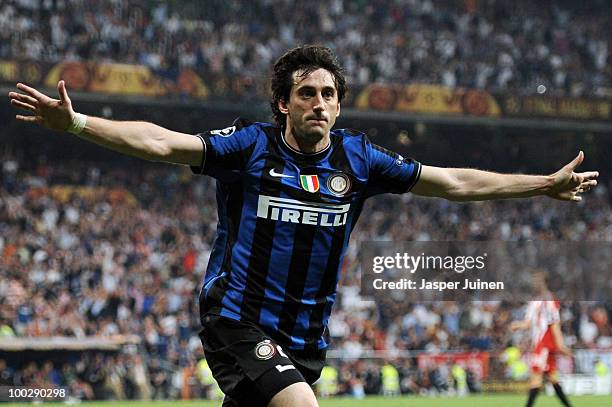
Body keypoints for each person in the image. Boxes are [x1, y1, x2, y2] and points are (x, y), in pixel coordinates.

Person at [8, 45, 599, 407]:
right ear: (284, 104)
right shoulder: (251, 147)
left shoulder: (359, 160)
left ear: (339, 105)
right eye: (307, 93)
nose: (319, 102)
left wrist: (542, 184)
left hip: (305, 337)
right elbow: (163, 144)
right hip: (237, 321)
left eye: (329, 94)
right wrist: (79, 124)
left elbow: (454, 183)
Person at [510, 272, 573, 407]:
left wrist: (560, 345)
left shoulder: (549, 300)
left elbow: (554, 323)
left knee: (536, 380)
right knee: (553, 378)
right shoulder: (535, 301)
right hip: (540, 344)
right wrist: (518, 325)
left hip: (544, 344)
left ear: (543, 283)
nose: (534, 283)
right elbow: (527, 323)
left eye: (537, 280)